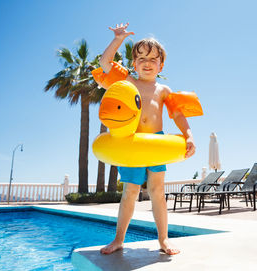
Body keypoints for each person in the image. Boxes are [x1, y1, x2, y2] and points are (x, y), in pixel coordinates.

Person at [96, 23, 196, 256]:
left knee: (157, 191)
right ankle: (119, 239)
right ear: (133, 64)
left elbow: (178, 114)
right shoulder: (127, 83)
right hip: (132, 143)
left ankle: (164, 239)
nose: (147, 63)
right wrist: (118, 39)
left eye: (153, 59)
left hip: (156, 144)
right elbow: (104, 64)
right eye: (141, 58)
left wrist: (188, 135)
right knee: (130, 191)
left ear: (161, 65)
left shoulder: (164, 90)